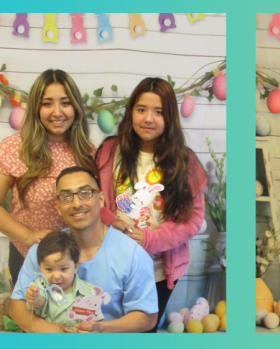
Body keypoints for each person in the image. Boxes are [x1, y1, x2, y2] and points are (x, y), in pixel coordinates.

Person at [95, 77, 208, 332]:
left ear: (170, 117)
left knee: (143, 331)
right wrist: (112, 220)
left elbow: (192, 220)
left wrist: (148, 238)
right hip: (113, 266)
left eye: (159, 112)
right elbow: (94, 199)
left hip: (158, 270)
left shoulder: (184, 161)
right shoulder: (110, 151)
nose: (149, 119)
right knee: (108, 331)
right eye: (141, 109)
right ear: (131, 111)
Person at [0, 69, 96, 288]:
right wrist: (27, 236)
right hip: (29, 255)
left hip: (76, 259)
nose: (57, 112)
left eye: (65, 103)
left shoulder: (87, 151)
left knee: (73, 319)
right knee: (30, 318)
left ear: (76, 107)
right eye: (47, 104)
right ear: (35, 107)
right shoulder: (15, 147)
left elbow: (98, 205)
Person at [9, 167, 157, 333]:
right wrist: (49, 330)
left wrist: (101, 329)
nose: (77, 204)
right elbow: (17, 305)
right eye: (66, 197)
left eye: (85, 193)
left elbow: (147, 316)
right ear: (57, 207)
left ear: (100, 199)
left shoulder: (133, 254)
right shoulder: (42, 251)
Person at [23, 231, 104, 329]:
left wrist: (91, 327)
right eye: (49, 269)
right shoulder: (40, 286)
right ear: (40, 267)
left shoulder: (88, 292)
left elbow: (94, 322)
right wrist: (34, 298)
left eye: (64, 269)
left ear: (76, 267)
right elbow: (39, 302)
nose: (56, 276)